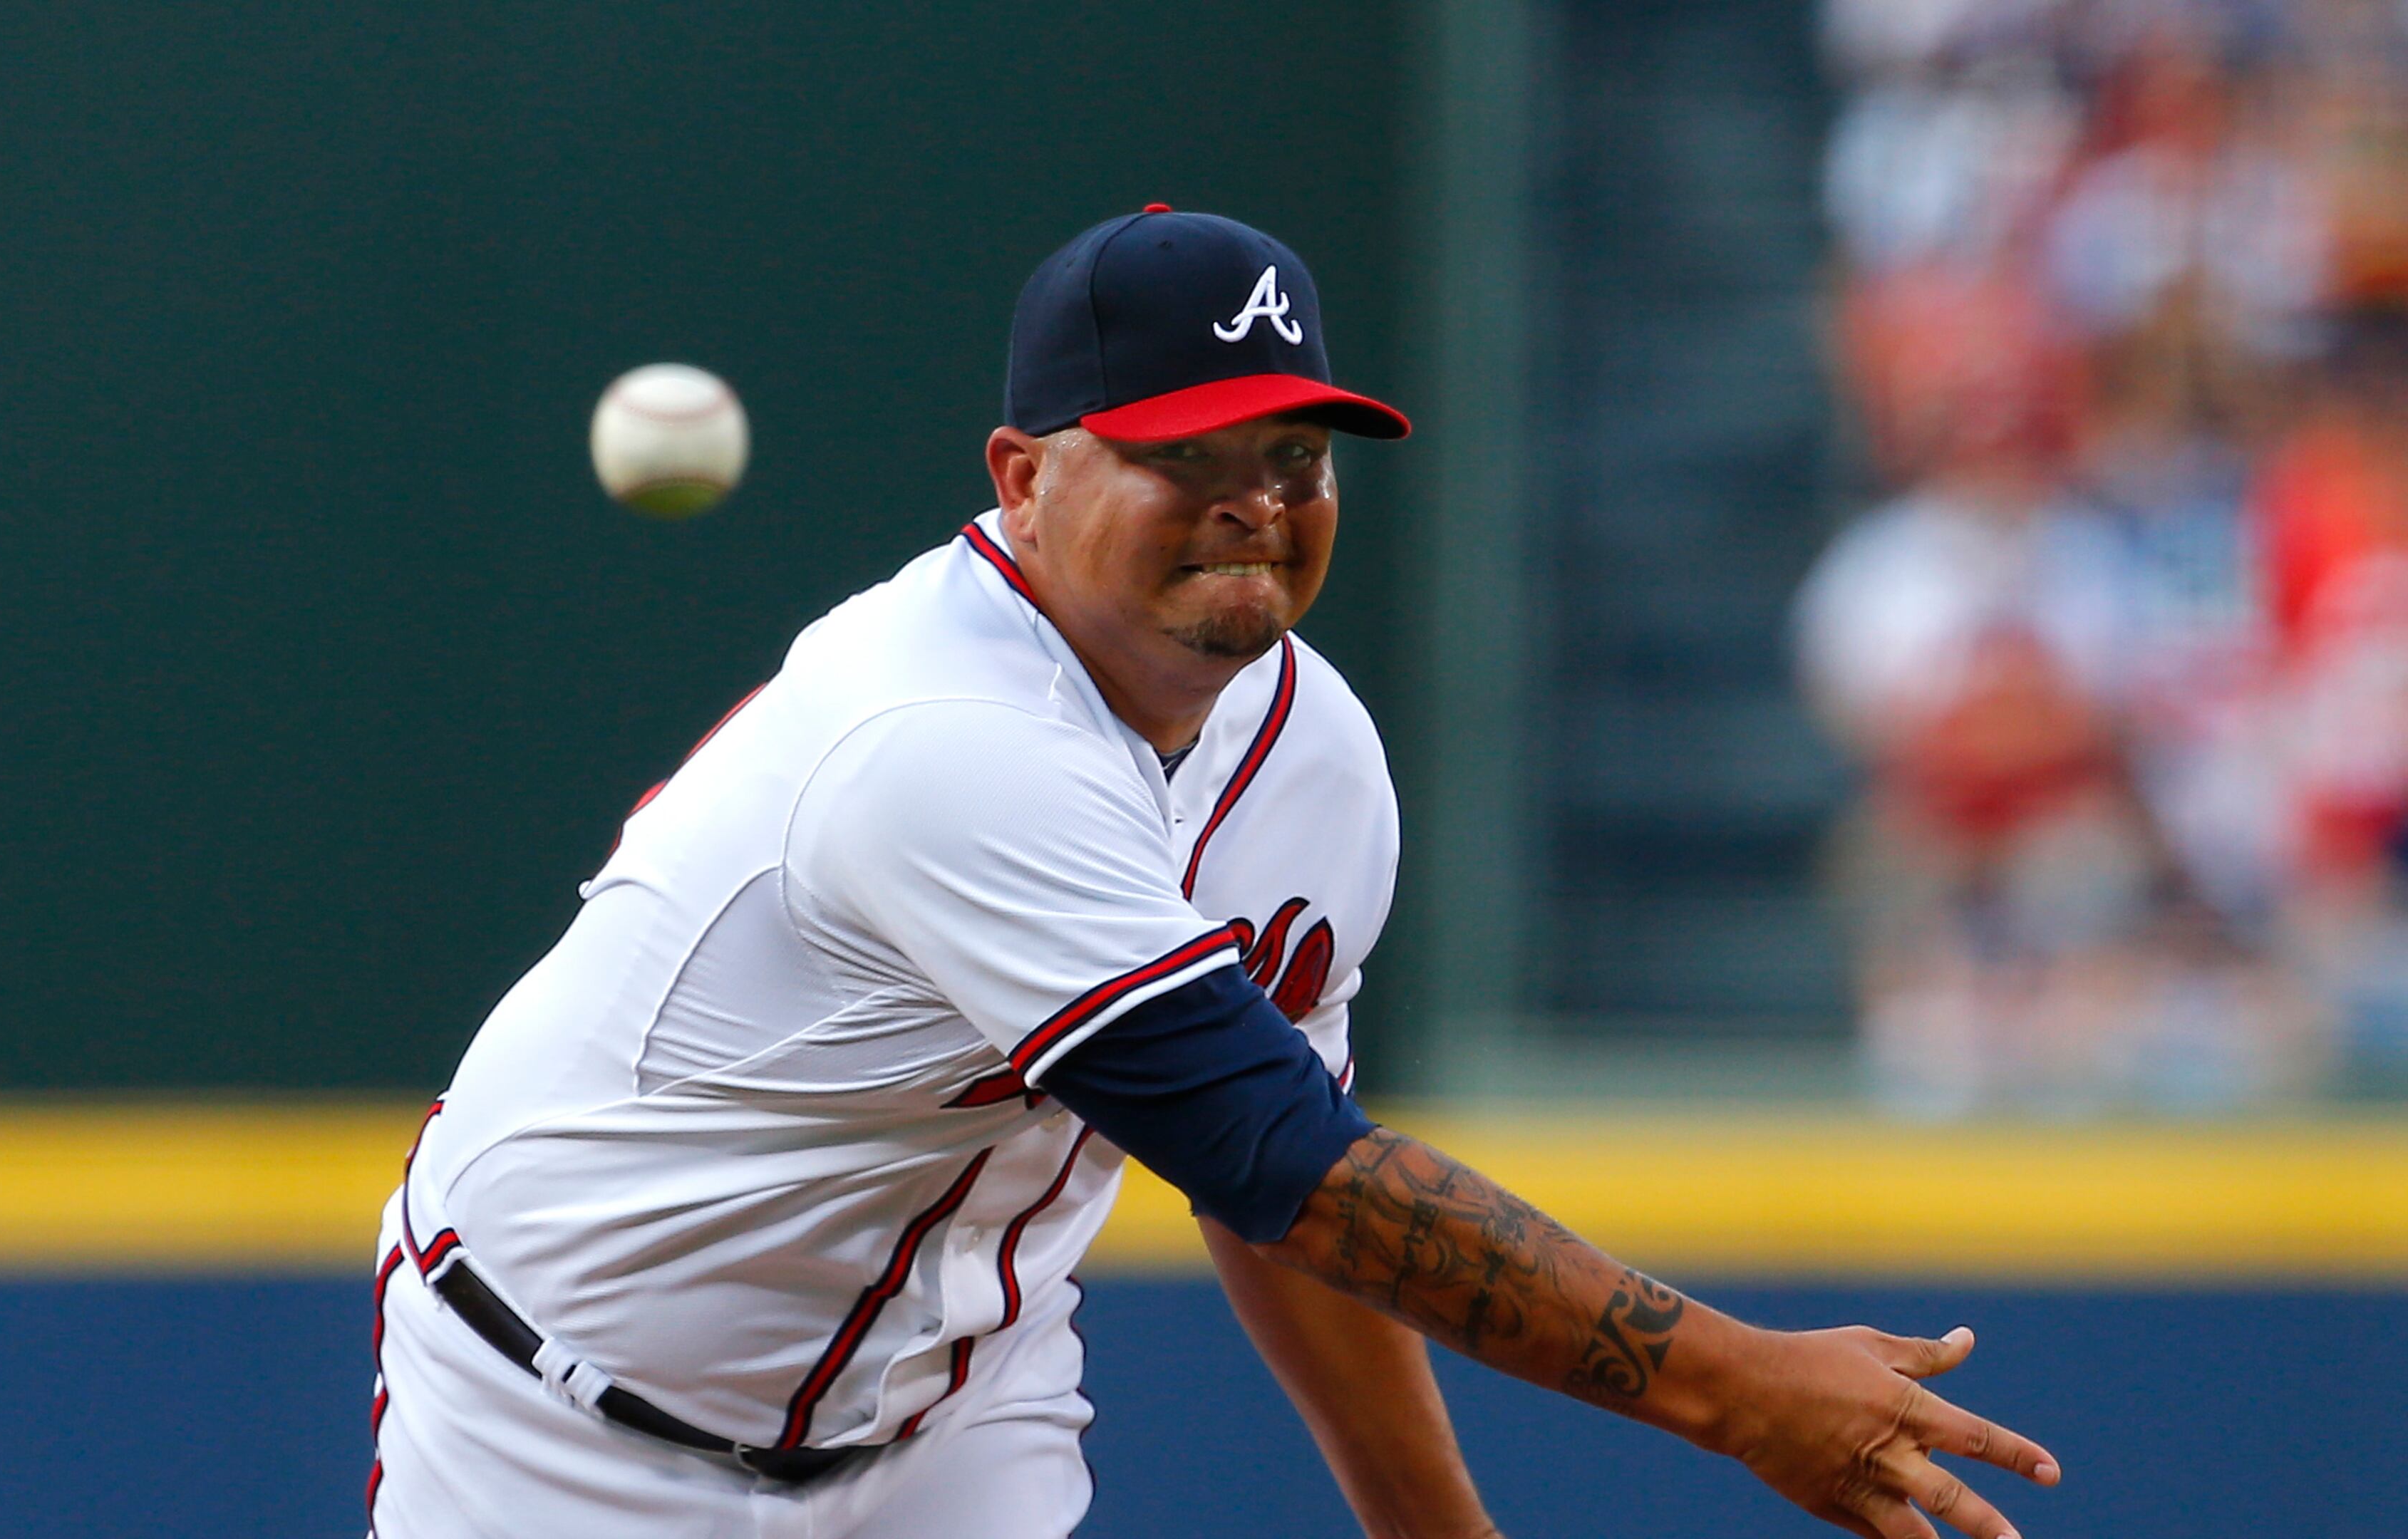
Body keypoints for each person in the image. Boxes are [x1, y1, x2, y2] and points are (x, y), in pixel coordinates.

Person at [368, 207, 2061, 1539]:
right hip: (561, 1404)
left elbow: (1282, 1177)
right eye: (1186, 453)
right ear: (1024, 481)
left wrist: (1432, 1524)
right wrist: (1741, 1386)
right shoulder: (938, 738)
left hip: (949, 1406)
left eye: (1295, 457)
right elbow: (1292, 1168)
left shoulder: (1311, 753)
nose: (1255, 502)